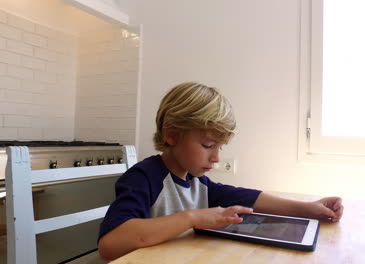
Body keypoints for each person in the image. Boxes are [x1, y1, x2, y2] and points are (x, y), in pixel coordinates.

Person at [97, 82, 344, 261]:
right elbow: (110, 245)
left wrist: (309, 208)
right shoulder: (144, 178)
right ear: (171, 134)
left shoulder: (198, 182)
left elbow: (247, 198)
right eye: (207, 145)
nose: (216, 157)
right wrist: (192, 217)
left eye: (220, 147)